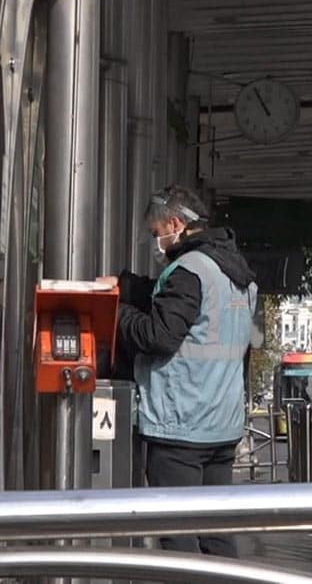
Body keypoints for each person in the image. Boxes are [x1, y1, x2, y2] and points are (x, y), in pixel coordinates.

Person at [114, 184, 258, 558]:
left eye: (157, 231)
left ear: (176, 224)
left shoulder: (188, 270)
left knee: (177, 537)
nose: (156, 240)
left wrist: (117, 312)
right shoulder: (234, 272)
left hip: (181, 427)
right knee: (216, 536)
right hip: (221, 426)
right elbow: (181, 306)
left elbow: (159, 335)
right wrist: (128, 287)